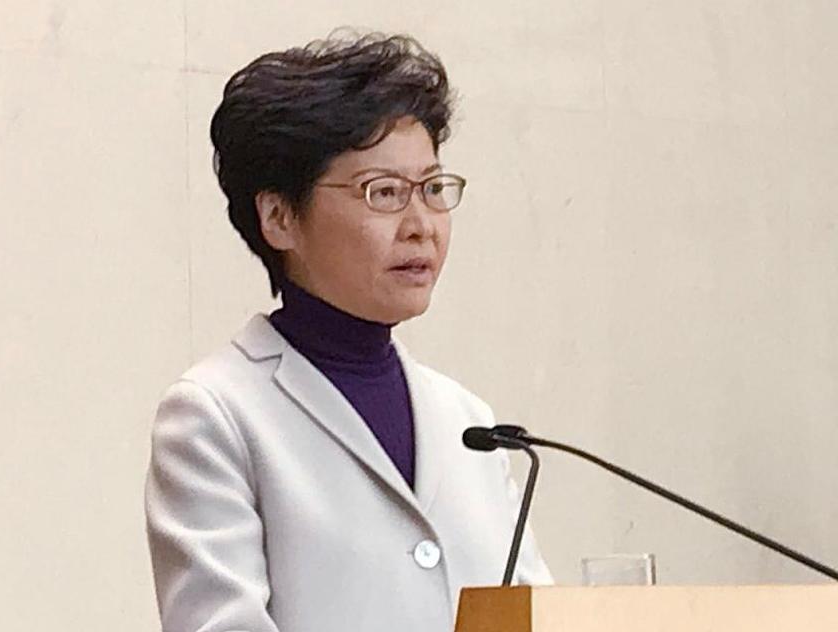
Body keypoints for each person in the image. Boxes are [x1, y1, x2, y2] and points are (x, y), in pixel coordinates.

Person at [144, 31, 552, 632]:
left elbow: (535, 615)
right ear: (279, 217)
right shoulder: (215, 416)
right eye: (384, 193)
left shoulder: (471, 425)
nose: (421, 225)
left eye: (433, 189)